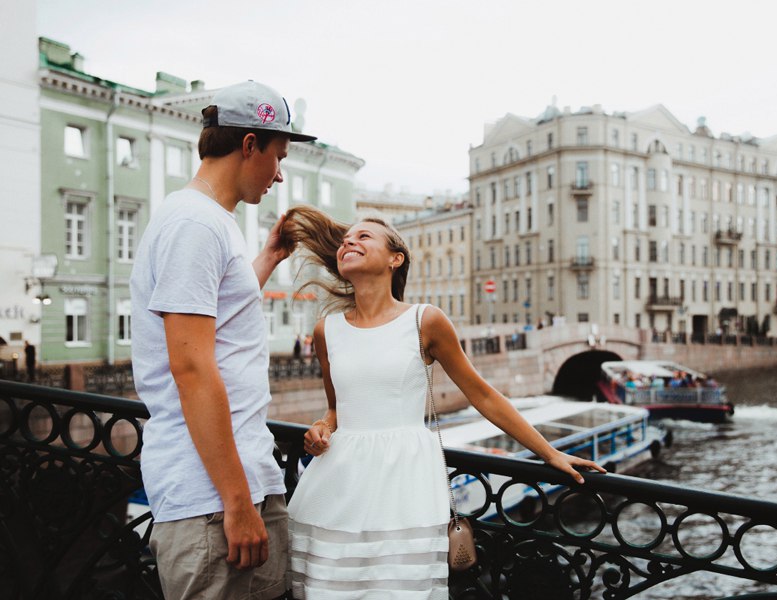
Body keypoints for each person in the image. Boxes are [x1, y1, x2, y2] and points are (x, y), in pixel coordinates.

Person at [278, 205, 604, 599]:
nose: (349, 242)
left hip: (403, 479)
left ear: (395, 259)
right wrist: (320, 429)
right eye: (346, 240)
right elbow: (336, 409)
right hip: (338, 482)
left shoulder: (424, 321)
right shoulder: (325, 330)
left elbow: (483, 394)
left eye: (364, 236)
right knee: (332, 587)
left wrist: (549, 453)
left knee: (397, 589)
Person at [129, 80, 316, 600]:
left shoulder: (207, 219)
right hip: (212, 499)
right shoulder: (195, 224)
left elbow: (218, 314)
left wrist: (268, 258)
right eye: (279, 157)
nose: (280, 174)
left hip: (231, 484)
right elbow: (191, 368)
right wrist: (236, 501)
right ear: (250, 144)